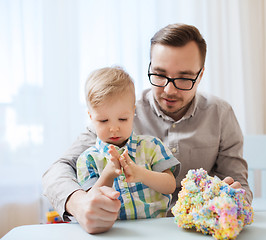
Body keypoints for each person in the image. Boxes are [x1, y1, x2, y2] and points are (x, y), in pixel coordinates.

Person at [42, 23, 252, 234]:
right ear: (150, 67)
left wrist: (233, 197)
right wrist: (79, 203)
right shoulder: (120, 113)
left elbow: (239, 183)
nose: (169, 89)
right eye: (159, 74)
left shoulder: (220, 113)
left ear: (201, 74)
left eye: (184, 78)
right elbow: (56, 171)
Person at [76, 66, 180, 221]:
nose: (114, 128)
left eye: (123, 119)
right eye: (103, 120)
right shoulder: (88, 159)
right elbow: (90, 202)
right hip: (112, 231)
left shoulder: (151, 146)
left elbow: (170, 185)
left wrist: (141, 174)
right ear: (91, 117)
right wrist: (108, 173)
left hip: (156, 227)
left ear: (133, 112)